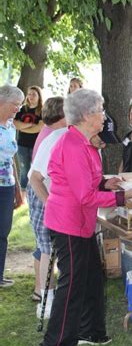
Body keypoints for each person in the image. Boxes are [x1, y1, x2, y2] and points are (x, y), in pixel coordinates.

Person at [38, 89, 132, 346]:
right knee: (73, 282)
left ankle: (91, 331)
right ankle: (54, 345)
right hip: (68, 223)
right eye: (101, 111)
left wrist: (106, 184)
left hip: (80, 222)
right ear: (87, 115)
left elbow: (87, 183)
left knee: (90, 279)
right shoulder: (73, 145)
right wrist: (126, 195)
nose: (104, 116)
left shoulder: (83, 142)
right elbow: (84, 196)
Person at [27, 97, 67, 302]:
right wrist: (50, 203)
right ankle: (46, 297)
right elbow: (36, 178)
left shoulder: (50, 132)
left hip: (46, 192)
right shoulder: (54, 136)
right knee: (47, 249)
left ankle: (43, 293)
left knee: (45, 249)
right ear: (63, 116)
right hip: (43, 193)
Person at [0, 85, 24, 288]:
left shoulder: (11, 126)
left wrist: (17, 187)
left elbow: (11, 160)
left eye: (20, 105)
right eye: (15, 104)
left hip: (6, 185)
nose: (18, 108)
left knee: (3, 231)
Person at [14, 85, 43, 190]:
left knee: (36, 169)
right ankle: (23, 190)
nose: (31, 96)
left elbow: (39, 128)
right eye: (29, 94)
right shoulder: (22, 109)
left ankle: (35, 190)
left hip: (36, 145)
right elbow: (15, 124)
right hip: (22, 145)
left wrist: (22, 127)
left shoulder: (42, 111)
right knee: (24, 169)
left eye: (34, 94)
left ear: (39, 96)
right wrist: (30, 125)